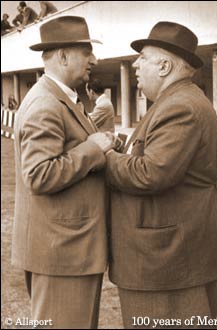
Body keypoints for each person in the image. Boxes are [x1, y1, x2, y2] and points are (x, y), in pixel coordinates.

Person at [89, 22, 217, 328]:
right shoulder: (176, 100)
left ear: (164, 66)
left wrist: (104, 155)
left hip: (170, 262)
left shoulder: (180, 107)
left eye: (144, 58)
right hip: (177, 254)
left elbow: (150, 173)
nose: (136, 64)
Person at [12, 16, 115, 329]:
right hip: (62, 253)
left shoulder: (61, 98)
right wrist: (93, 149)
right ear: (63, 56)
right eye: (86, 52)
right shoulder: (45, 104)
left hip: (69, 250)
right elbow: (39, 175)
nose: (93, 60)